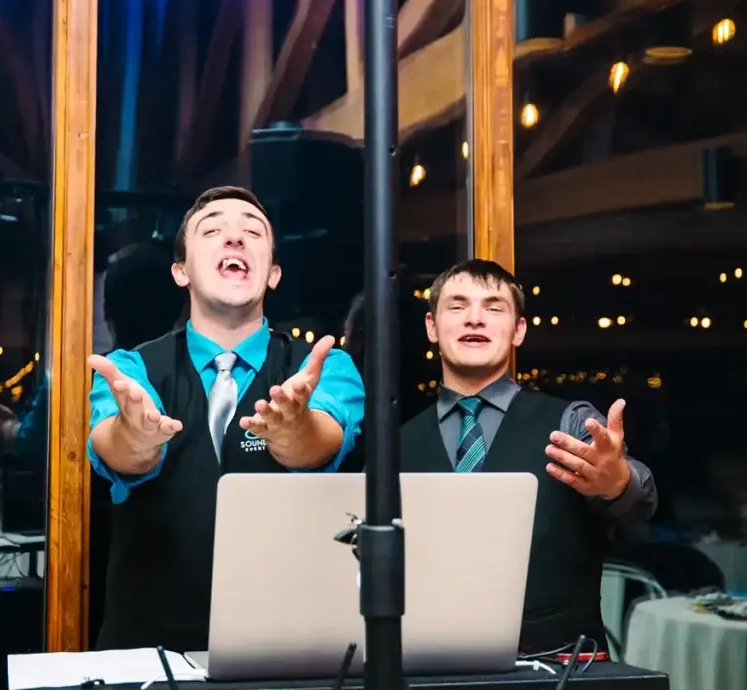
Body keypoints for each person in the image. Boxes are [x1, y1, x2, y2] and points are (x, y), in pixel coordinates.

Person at [87, 186, 365, 651]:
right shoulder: (130, 372)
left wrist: (296, 430)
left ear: (273, 274)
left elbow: (318, 442)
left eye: (252, 232)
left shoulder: (324, 369)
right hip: (149, 664)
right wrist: (137, 437)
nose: (234, 238)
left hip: (290, 659)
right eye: (213, 230)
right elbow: (118, 449)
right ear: (181, 272)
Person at [399, 259, 657, 654]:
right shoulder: (397, 444)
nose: (474, 319)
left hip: (563, 673)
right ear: (432, 327)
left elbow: (640, 502)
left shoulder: (571, 422)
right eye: (457, 306)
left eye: (494, 307)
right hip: (430, 670)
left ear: (518, 331)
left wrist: (618, 483)